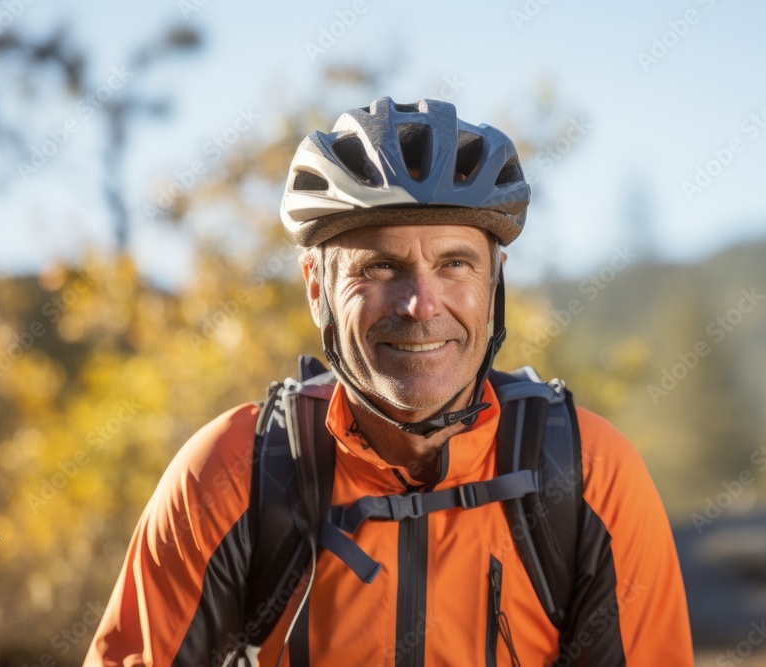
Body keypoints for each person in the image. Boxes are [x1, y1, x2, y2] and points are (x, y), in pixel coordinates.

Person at [85, 97, 692, 666]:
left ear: (493, 284)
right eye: (380, 267)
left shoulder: (589, 475)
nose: (420, 305)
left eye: (455, 264)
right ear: (317, 286)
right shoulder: (233, 473)